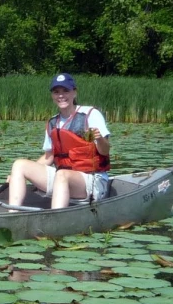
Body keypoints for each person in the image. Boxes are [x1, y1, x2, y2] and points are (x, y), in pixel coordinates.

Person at [7, 73, 111, 209]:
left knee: (62, 174)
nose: (61, 95)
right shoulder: (52, 122)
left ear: (74, 92)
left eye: (65, 91)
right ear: (52, 96)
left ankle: (56, 219)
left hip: (92, 181)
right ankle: (12, 214)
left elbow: (104, 150)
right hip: (62, 179)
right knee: (19, 165)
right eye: (56, 92)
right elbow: (48, 157)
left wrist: (99, 138)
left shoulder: (90, 115)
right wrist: (18, 176)